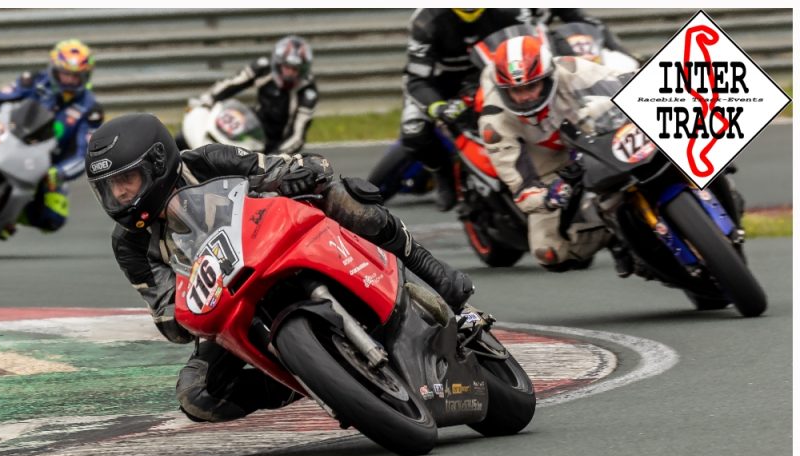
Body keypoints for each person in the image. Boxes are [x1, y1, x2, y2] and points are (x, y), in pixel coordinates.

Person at [86, 113, 474, 423]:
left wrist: (298, 174)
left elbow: (286, 167)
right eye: (108, 187)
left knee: (344, 197)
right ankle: (312, 379)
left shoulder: (207, 161)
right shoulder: (129, 245)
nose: (119, 194)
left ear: (157, 163)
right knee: (195, 395)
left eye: (126, 180)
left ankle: (434, 272)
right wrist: (184, 310)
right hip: (226, 301)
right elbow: (169, 318)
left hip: (275, 239)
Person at [401, 8, 628, 212]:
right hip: (442, 85)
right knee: (414, 132)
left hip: (501, 78)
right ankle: (443, 176)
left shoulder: (510, 9)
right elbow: (416, 78)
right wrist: (438, 106)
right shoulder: (426, 20)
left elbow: (535, 42)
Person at [478, 32, 621, 272]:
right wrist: (548, 197)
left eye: (531, 86)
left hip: (595, 137)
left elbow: (626, 85)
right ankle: (616, 235)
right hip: (551, 167)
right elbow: (521, 187)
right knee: (549, 253)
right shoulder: (494, 123)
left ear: (547, 77)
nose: (525, 97)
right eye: (515, 90)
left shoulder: (570, 69)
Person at [0, 39, 103, 235]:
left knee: (54, 217)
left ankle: (7, 217)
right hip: (10, 137)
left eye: (75, 76)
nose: (69, 80)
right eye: (65, 74)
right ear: (54, 69)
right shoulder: (33, 80)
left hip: (44, 164)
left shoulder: (91, 110)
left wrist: (59, 172)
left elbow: (84, 154)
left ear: (86, 76)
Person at [185, 35, 317, 155]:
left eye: (294, 69)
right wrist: (207, 99)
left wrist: (275, 157)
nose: (289, 73)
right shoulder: (264, 69)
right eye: (286, 67)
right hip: (252, 125)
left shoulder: (307, 92)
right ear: (278, 63)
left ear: (303, 70)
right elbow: (233, 83)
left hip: (271, 146)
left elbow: (297, 137)